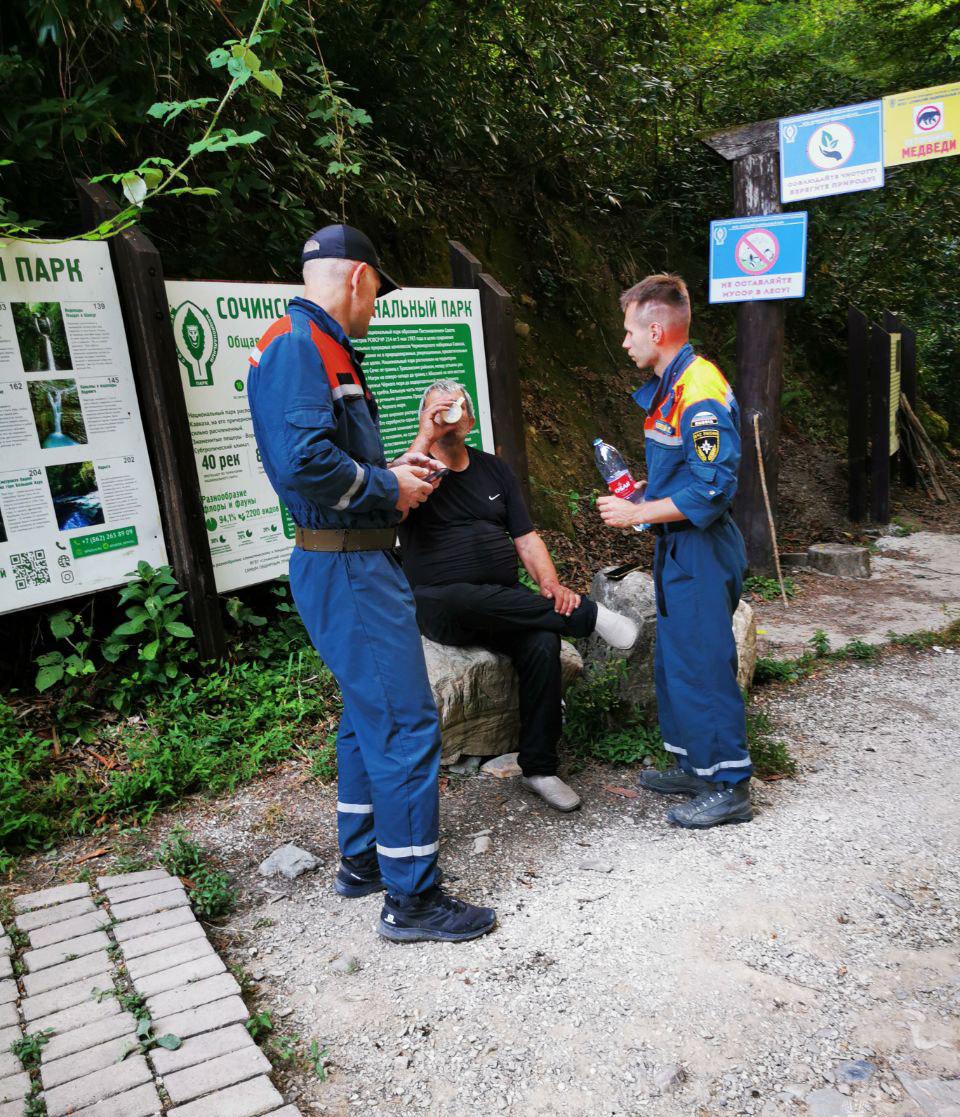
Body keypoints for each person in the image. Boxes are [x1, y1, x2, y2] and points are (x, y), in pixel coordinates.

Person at [247, 224, 496, 942]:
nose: (374, 308)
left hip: (346, 555)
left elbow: (329, 459)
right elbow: (303, 462)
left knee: (366, 715)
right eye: (375, 294)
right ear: (358, 278)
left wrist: (402, 470)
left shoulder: (306, 342)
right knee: (405, 722)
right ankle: (413, 899)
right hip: (349, 564)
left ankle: (362, 862)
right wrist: (387, 487)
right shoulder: (302, 346)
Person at [399, 380, 640, 812]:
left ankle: (540, 768)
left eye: (455, 409)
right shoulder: (413, 470)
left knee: (542, 642)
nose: (448, 416)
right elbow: (395, 505)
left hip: (502, 598)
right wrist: (425, 435)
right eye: (437, 410)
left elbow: (526, 538)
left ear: (470, 420)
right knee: (454, 596)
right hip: (443, 604)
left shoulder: (494, 469)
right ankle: (587, 616)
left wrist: (551, 585)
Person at [597, 274, 753, 829]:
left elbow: (713, 486)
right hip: (678, 546)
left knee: (704, 664)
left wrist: (638, 514)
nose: (625, 342)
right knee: (679, 661)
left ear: (656, 329)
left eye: (628, 332)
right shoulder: (674, 382)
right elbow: (685, 472)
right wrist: (642, 495)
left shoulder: (699, 390)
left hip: (702, 549)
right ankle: (697, 767)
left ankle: (730, 785)